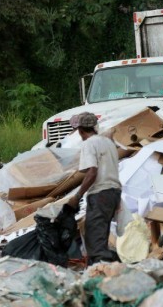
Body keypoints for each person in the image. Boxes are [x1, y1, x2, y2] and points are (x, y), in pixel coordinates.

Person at [67, 112, 121, 266]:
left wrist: (77, 196)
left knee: (94, 239)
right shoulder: (108, 143)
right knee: (101, 235)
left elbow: (92, 171)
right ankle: (108, 266)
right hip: (114, 193)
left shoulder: (89, 144)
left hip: (100, 194)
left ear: (80, 130)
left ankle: (101, 273)